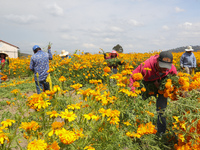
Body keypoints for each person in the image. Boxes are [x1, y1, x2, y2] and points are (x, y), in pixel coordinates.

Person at [129, 51, 177, 135]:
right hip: (146, 86)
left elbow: (175, 79)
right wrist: (133, 92)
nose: (164, 69)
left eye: (166, 67)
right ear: (157, 60)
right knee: (136, 105)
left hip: (161, 87)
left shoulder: (171, 68)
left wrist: (171, 89)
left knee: (162, 109)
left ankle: (161, 132)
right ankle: (133, 128)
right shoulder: (146, 65)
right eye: (162, 66)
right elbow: (132, 76)